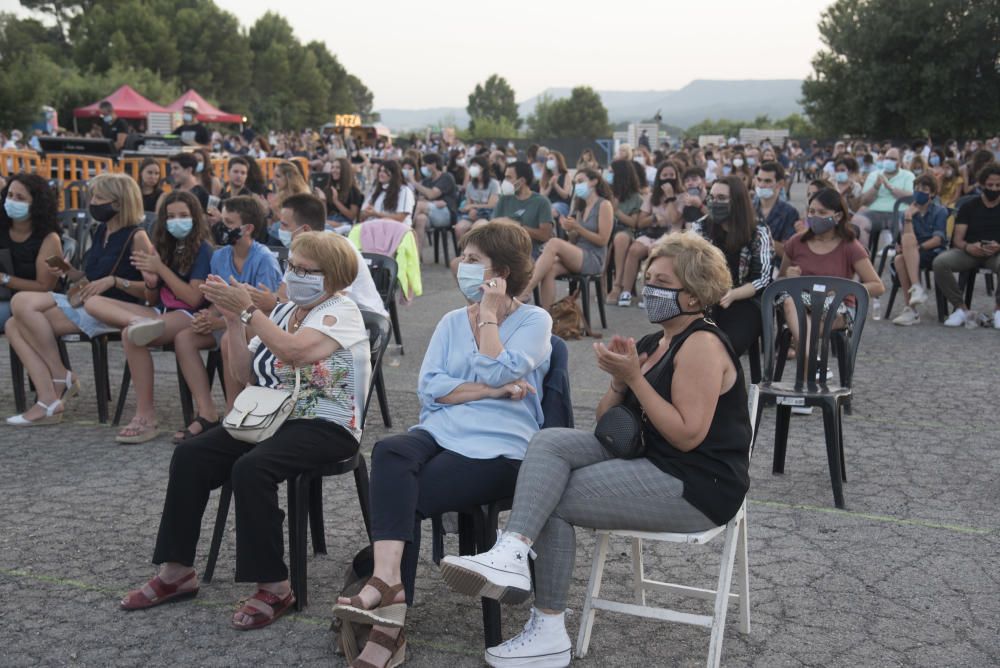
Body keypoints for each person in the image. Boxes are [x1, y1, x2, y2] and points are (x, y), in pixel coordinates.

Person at [439, 232, 751, 668]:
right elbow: (608, 426)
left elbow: (686, 436)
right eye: (649, 278)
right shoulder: (651, 343)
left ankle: (547, 630)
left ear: (696, 297)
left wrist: (637, 381)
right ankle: (512, 551)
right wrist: (621, 382)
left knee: (555, 499)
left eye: (663, 282)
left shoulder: (701, 344)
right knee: (547, 442)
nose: (650, 289)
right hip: (649, 460)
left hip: (697, 484)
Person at [120, 231, 371, 631]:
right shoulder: (286, 311)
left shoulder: (341, 310)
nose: (295, 274)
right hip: (273, 415)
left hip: (327, 423)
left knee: (252, 469)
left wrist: (247, 312)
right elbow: (240, 372)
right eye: (293, 265)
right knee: (191, 454)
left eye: (306, 269)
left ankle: (274, 585)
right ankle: (176, 571)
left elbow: (295, 352)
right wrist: (233, 321)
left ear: (334, 275)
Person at [331, 221, 552, 668]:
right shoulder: (452, 321)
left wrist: (489, 319)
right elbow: (431, 388)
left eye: (474, 261)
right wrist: (492, 391)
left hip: (499, 448)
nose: (461, 267)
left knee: (403, 498)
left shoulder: (535, 320)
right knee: (392, 449)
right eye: (463, 256)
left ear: (502, 274)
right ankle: (387, 580)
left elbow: (494, 367)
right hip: (440, 430)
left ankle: (386, 621)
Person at [5, 174, 154, 426]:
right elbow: (90, 278)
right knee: (13, 323)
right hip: (88, 303)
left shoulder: (136, 236)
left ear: (118, 202)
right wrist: (68, 272)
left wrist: (116, 281)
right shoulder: (102, 232)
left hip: (114, 309)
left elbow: (151, 292)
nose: (92, 202)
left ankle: (58, 380)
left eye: (98, 197)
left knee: (21, 304)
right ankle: (48, 397)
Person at [82, 191, 214, 443]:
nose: (177, 221)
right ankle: (136, 323)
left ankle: (145, 416)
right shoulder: (165, 246)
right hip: (161, 313)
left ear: (195, 218)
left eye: (183, 216)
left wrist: (160, 269)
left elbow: (193, 298)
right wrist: (152, 283)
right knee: (94, 302)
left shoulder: (203, 250)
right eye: (171, 216)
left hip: (191, 314)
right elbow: (153, 299)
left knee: (132, 336)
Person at [171, 196, 283, 442]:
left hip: (255, 327)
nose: (221, 226)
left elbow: (264, 311)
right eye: (222, 220)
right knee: (184, 339)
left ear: (248, 228)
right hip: (227, 320)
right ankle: (206, 411)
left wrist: (219, 322)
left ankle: (235, 409)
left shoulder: (264, 258)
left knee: (227, 342)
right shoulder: (220, 257)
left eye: (229, 222)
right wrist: (207, 315)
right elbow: (216, 299)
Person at [779, 188, 884, 357]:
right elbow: (779, 281)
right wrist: (790, 277)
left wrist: (841, 289)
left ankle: (807, 364)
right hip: (803, 304)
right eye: (811, 211)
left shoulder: (849, 246)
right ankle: (814, 367)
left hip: (837, 306)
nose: (814, 217)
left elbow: (877, 286)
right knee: (790, 302)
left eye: (822, 212)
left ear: (838, 216)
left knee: (803, 328)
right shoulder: (796, 242)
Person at [250, 193, 386, 318]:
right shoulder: (298, 246)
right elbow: (284, 294)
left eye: (285, 225)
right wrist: (259, 298)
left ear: (305, 230)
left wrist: (275, 304)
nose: (280, 230)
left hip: (363, 318)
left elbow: (335, 302)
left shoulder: (336, 249)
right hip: (322, 315)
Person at [698, 176, 773, 356]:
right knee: (690, 342)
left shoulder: (758, 232)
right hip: (706, 298)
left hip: (745, 299)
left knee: (725, 346)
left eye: (722, 198)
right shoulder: (701, 227)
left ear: (738, 201)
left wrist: (732, 294)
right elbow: (690, 267)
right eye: (712, 197)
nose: (715, 203)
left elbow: (762, 278)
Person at [520, 169, 614, 309]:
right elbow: (576, 239)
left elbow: (603, 240)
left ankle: (525, 291)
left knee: (554, 242)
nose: (578, 185)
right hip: (579, 253)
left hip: (594, 258)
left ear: (594, 181)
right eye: (576, 183)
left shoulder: (604, 205)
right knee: (549, 269)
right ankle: (547, 319)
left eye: (581, 181)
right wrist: (570, 230)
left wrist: (577, 227)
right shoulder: (581, 206)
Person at [933, 162, 1000, 328]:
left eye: (998, 185)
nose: (994, 188)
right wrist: (969, 247)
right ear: (983, 184)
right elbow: (958, 239)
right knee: (940, 263)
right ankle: (961, 308)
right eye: (990, 185)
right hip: (970, 252)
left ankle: (999, 310)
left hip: (996, 254)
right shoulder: (969, 206)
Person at [0, 174, 63, 331]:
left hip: (31, 304)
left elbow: (45, 286)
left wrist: (4, 279)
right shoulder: (2, 226)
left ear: (37, 205)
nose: (12, 201)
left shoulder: (49, 239)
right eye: (10, 195)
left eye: (20, 198)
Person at [891, 175, 948, 326]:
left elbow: (938, 239)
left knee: (904, 254)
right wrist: (908, 217)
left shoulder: (939, 211)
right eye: (916, 189)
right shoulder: (907, 212)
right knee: (898, 258)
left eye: (924, 189)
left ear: (932, 193)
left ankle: (911, 308)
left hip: (932, 250)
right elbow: (906, 238)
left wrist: (917, 248)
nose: (919, 192)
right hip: (912, 250)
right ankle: (915, 295)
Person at [855, 147, 914, 250]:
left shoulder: (908, 176)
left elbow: (910, 198)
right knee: (858, 222)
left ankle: (899, 258)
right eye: (886, 158)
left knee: (905, 226)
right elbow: (864, 201)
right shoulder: (874, 175)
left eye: (893, 159)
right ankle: (863, 257)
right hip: (874, 213)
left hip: (898, 213)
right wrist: (876, 187)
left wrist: (890, 188)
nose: (888, 161)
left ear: (899, 162)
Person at [493, 161, 554, 258]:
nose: (504, 181)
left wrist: (516, 225)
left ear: (521, 181)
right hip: (503, 247)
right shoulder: (504, 199)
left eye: (508, 178)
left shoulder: (541, 202)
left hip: (529, 250)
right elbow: (493, 225)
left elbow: (545, 235)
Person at [605, 160, 645, 306]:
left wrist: (616, 211)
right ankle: (603, 284)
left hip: (625, 231)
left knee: (621, 238)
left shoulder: (636, 198)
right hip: (606, 230)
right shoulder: (606, 193)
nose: (608, 175)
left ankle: (618, 285)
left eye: (611, 172)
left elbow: (633, 223)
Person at [410, 153, 458, 249]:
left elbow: (431, 194)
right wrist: (428, 201)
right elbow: (421, 197)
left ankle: (404, 229)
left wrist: (413, 182)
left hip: (446, 214)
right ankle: (416, 257)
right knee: (421, 219)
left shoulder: (446, 177)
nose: (423, 168)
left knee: (419, 206)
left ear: (434, 164)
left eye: (425, 165)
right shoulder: (427, 181)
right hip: (430, 212)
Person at [754, 161, 799, 258]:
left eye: (767, 181)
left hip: (776, 267)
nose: (761, 185)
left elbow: (788, 252)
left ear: (780, 184)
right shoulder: (748, 208)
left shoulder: (789, 213)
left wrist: (762, 238)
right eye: (759, 179)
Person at [454, 156, 499, 241]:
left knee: (477, 228)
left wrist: (473, 206)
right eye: (471, 166)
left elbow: (491, 205)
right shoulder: (470, 185)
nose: (472, 168)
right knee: (459, 228)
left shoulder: (494, 184)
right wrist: (468, 208)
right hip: (471, 215)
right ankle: (465, 252)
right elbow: (468, 204)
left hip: (487, 215)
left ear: (483, 168)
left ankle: (477, 253)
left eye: (475, 165)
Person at [360, 160, 415, 227]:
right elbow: (362, 214)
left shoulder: (404, 191)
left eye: (385, 171)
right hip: (374, 228)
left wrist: (376, 214)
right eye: (380, 171)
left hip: (396, 231)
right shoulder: (375, 190)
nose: (381, 174)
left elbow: (400, 218)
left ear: (394, 174)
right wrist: (366, 213)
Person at [266, 162, 311, 241]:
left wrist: (274, 208)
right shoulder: (281, 194)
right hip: (281, 234)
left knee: (275, 228)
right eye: (274, 176)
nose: (274, 179)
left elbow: (291, 224)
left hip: (297, 234)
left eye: (278, 176)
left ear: (288, 177)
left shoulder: (300, 196)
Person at [320, 157, 363, 227]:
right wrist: (323, 201)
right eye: (332, 167)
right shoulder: (329, 188)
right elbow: (324, 215)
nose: (334, 170)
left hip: (344, 223)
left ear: (344, 170)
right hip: (329, 221)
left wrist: (336, 201)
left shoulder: (353, 190)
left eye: (338, 168)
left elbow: (352, 216)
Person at [538, 150, 572, 219]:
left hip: (561, 204)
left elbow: (565, 195)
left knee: (550, 212)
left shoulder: (565, 175)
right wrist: (550, 186)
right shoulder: (545, 177)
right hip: (547, 204)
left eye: (551, 159)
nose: (549, 161)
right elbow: (542, 196)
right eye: (547, 159)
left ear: (558, 161)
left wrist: (556, 185)